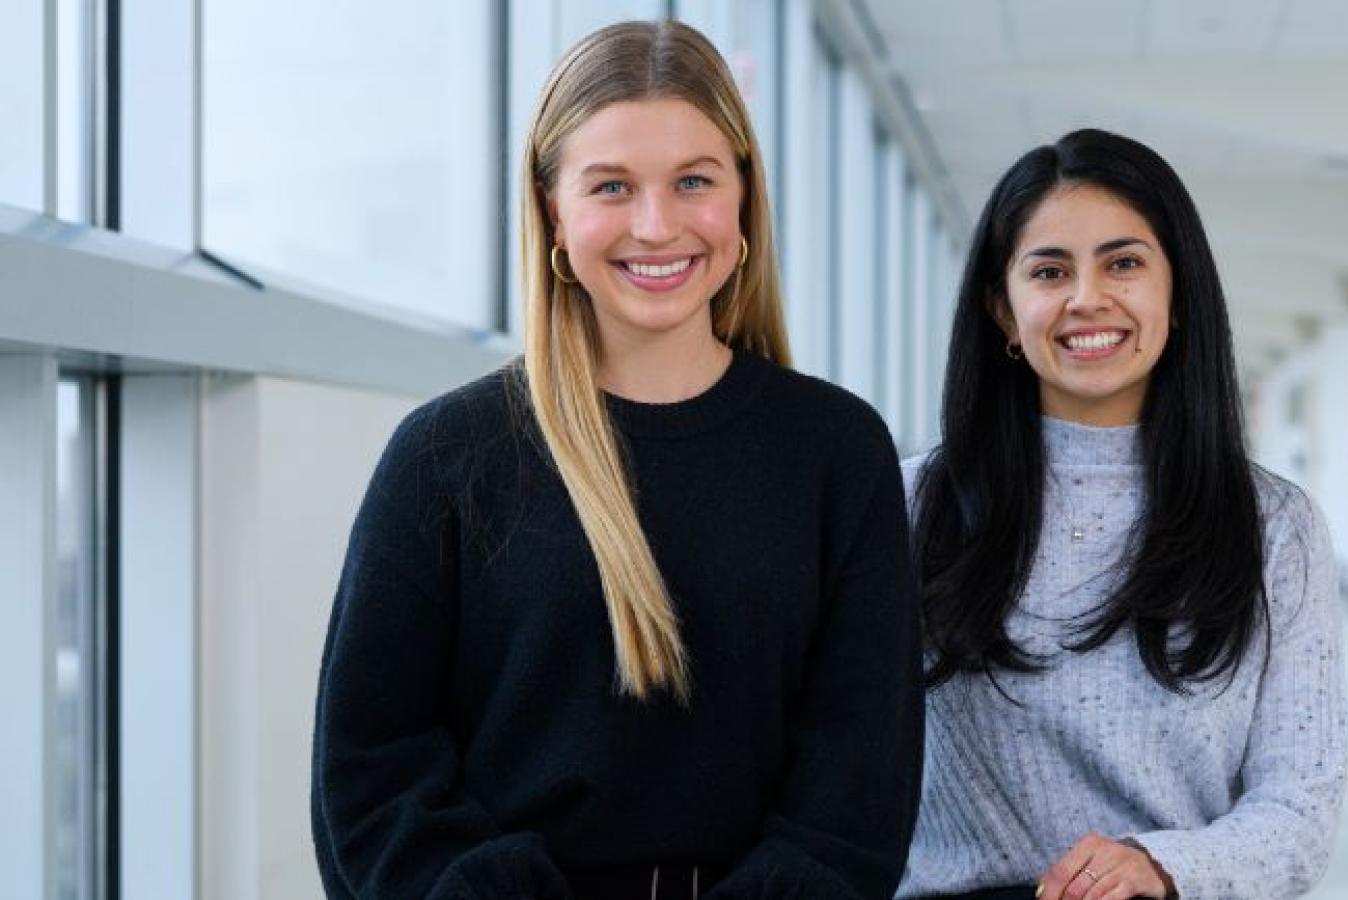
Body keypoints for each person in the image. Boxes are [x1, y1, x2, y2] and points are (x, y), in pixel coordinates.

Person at [311, 20, 923, 900]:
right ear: (553, 208)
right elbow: (370, 773)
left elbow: (859, 785)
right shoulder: (444, 458)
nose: (656, 224)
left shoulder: (837, 453)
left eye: (693, 181)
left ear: (743, 197)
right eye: (611, 186)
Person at [896, 129, 1347, 900]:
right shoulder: (910, 506)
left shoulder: (1273, 525)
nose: (1086, 298)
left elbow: (1300, 804)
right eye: (1049, 270)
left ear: (1177, 295)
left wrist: (1164, 866)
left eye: (1124, 263)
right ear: (1004, 311)